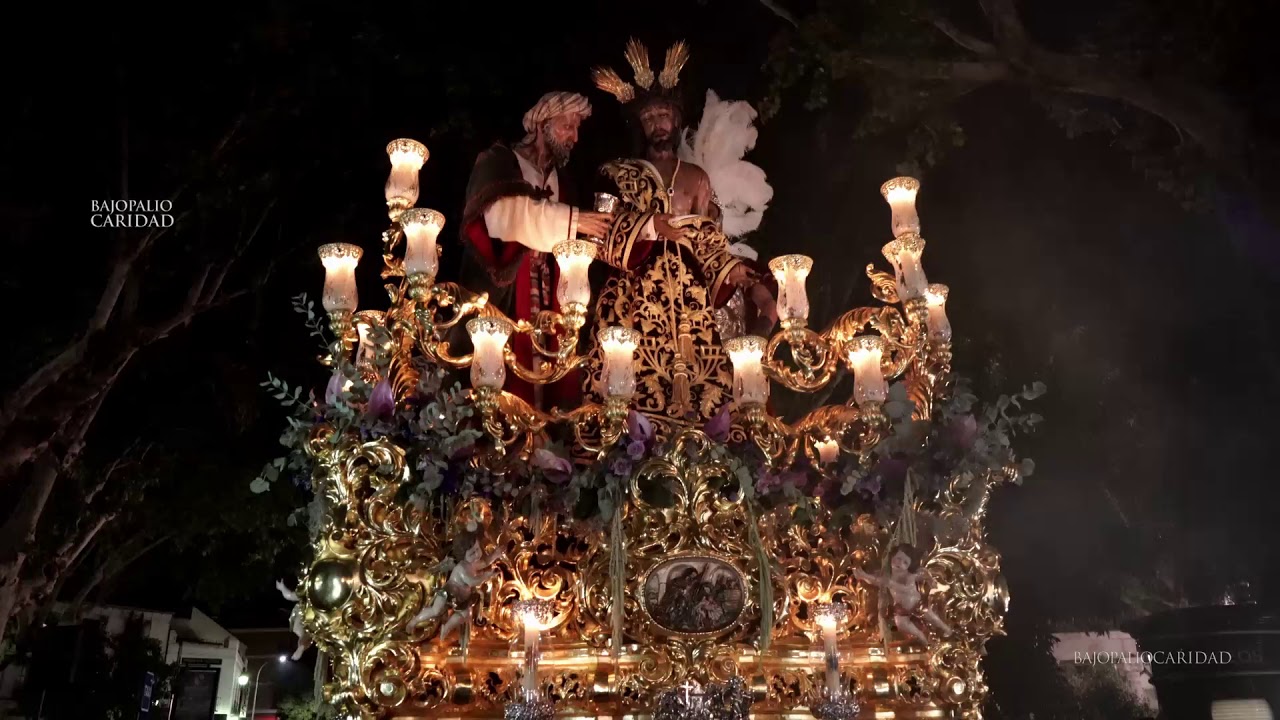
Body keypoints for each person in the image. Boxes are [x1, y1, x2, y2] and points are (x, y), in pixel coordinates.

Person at [586, 39, 778, 426]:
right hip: (632, 298)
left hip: (691, 305)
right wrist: (648, 225)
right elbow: (596, 236)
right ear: (641, 125)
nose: (658, 123)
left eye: (664, 115)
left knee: (703, 399)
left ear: (676, 121)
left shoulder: (697, 179)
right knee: (627, 397)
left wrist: (740, 276)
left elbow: (711, 244)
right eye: (650, 117)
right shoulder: (617, 173)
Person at [458, 91, 613, 409]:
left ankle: (546, 439)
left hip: (551, 297)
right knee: (501, 381)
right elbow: (501, 215)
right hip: (508, 292)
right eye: (567, 126)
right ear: (542, 125)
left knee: (554, 377)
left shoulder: (564, 180)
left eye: (577, 128)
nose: (574, 136)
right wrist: (574, 220)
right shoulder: (499, 161)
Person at [853, 544, 953, 647]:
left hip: (917, 605)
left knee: (931, 617)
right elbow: (875, 581)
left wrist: (888, 582)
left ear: (910, 565)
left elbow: (903, 589)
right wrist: (864, 576)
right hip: (901, 608)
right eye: (898, 559)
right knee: (901, 624)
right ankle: (921, 637)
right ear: (892, 557)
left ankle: (947, 630)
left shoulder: (909, 576)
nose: (900, 563)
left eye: (905, 562)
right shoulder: (887, 576)